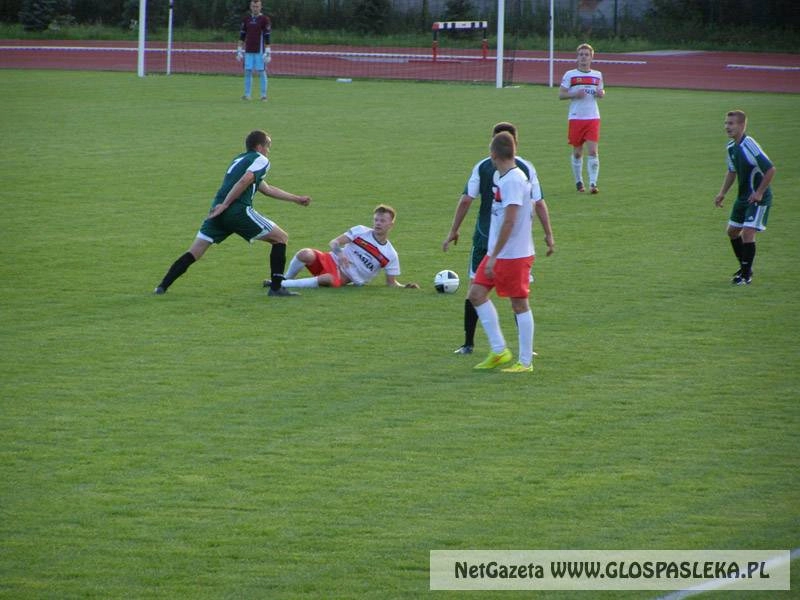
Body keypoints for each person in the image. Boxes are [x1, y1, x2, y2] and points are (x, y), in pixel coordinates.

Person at [153, 129, 311, 296]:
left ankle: (162, 287)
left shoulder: (239, 159)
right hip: (236, 211)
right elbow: (246, 180)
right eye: (268, 146)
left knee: (195, 251)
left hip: (217, 211)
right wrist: (227, 205)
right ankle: (277, 288)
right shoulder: (261, 160)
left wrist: (296, 198)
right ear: (259, 146)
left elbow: (266, 188)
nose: (268, 150)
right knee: (281, 238)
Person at [442, 122, 554, 355]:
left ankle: (474, 345)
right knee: (480, 292)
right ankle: (501, 349)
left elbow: (468, 200)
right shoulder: (525, 168)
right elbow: (539, 202)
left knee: (513, 297)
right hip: (496, 243)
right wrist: (548, 234)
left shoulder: (499, 171)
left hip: (502, 245)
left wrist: (454, 230)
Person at [467, 131, 539, 373]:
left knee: (519, 304)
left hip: (512, 255)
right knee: (476, 294)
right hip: (498, 252)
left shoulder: (512, 181)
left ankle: (525, 362)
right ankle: (499, 350)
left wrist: (494, 256)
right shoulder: (506, 176)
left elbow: (509, 221)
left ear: (493, 154)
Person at [279, 204, 420, 290]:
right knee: (304, 253)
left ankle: (282, 285)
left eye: (382, 221)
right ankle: (284, 279)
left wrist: (404, 287)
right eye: (376, 220)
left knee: (327, 279)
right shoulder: (360, 231)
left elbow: (391, 283)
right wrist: (340, 254)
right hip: (331, 259)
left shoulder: (390, 254)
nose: (378, 223)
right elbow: (334, 242)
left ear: (391, 225)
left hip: (345, 276)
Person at [714, 110, 776, 285]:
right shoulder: (731, 147)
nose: (727, 127)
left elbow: (770, 169)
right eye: (726, 123)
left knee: (748, 232)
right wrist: (722, 193)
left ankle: (746, 275)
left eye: (731, 123)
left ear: (742, 125)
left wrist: (759, 192)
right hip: (743, 198)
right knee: (732, 232)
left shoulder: (750, 145)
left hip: (757, 198)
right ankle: (745, 267)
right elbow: (732, 171)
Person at [558, 43, 605, 194]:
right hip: (576, 118)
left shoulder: (597, 75)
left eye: (586, 54)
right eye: (581, 54)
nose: (584, 57)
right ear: (577, 57)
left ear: (592, 57)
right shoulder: (570, 75)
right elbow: (561, 94)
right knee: (578, 152)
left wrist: (601, 93)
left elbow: (600, 90)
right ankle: (579, 181)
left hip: (592, 117)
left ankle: (593, 183)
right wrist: (574, 94)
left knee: (592, 151)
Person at [237, 0, 271, 101]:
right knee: (247, 71)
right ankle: (247, 95)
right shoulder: (246, 19)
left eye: (257, 6)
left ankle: (263, 95)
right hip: (248, 51)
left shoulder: (265, 19)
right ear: (250, 7)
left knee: (262, 71)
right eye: (253, 6)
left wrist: (268, 51)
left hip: (260, 51)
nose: (255, 8)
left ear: (260, 7)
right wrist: (239, 50)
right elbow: (242, 35)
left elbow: (267, 36)